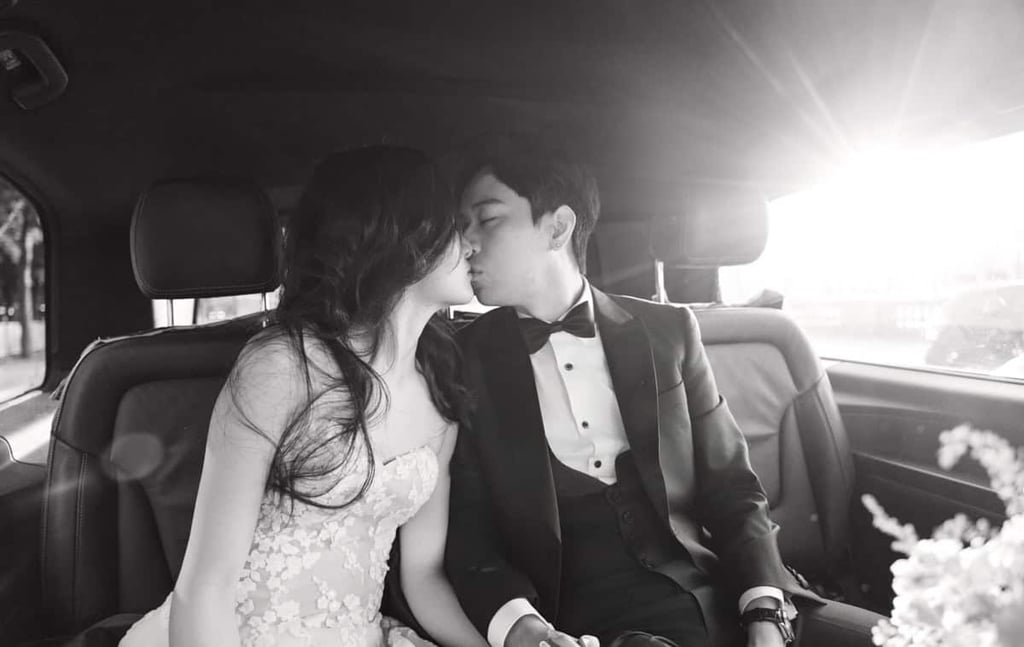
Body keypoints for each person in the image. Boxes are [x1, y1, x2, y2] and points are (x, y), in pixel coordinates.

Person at [441, 139, 878, 647]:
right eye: (462, 226)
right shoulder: (459, 360)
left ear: (557, 227)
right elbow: (469, 537)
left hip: (719, 598)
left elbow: (733, 487)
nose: (465, 242)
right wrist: (525, 632)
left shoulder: (668, 331)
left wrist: (764, 611)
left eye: (486, 220)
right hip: (578, 627)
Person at [120, 145, 488, 647]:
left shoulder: (442, 391)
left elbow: (423, 577)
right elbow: (205, 587)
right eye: (454, 226)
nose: (472, 245)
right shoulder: (283, 366)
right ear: (403, 236)